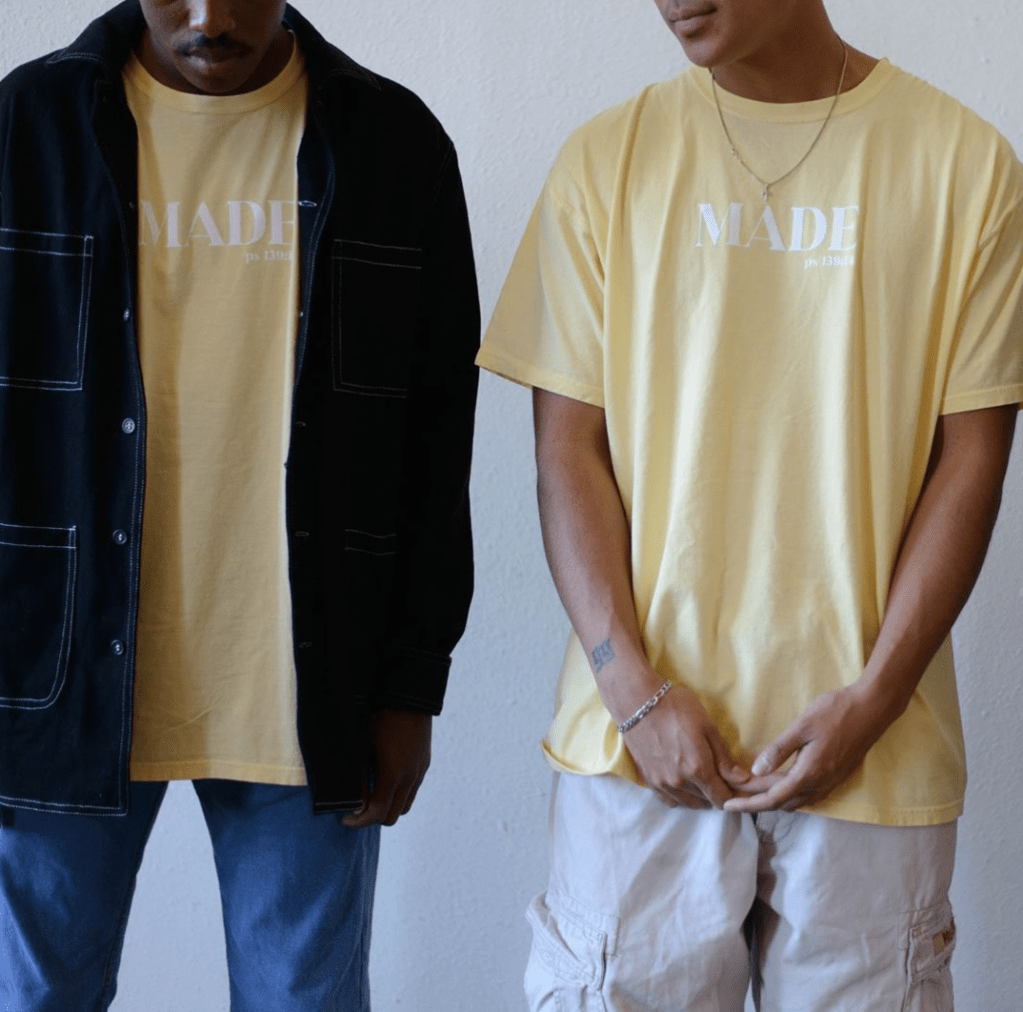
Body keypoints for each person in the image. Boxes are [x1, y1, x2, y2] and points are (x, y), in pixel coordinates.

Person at [477, 1, 1023, 1008]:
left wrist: (875, 700)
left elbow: (973, 462)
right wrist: (633, 693)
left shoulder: (965, 164)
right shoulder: (604, 162)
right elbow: (565, 452)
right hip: (637, 751)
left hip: (873, 758)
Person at [0, 0, 479, 1008]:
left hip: (314, 686)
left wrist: (410, 686)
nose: (210, 18)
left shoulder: (392, 147)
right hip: (50, 677)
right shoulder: (26, 129)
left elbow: (436, 442)